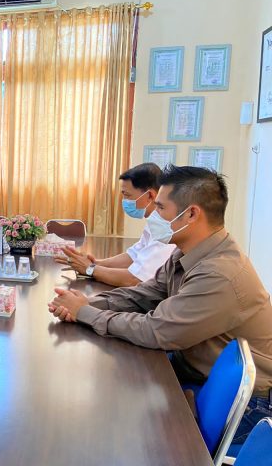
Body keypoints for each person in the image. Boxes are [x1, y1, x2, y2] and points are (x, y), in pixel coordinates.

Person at [48, 165, 272, 445]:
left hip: (244, 407)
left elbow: (157, 331)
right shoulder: (187, 251)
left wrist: (87, 313)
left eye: (162, 208)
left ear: (191, 214)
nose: (154, 214)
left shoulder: (219, 272)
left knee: (117, 429)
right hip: (194, 368)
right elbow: (144, 294)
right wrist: (85, 304)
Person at [55, 163, 175, 286]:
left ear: (150, 195)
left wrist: (90, 269)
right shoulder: (154, 221)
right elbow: (134, 255)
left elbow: (135, 279)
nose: (124, 201)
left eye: (127, 195)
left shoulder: (166, 229)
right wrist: (95, 263)